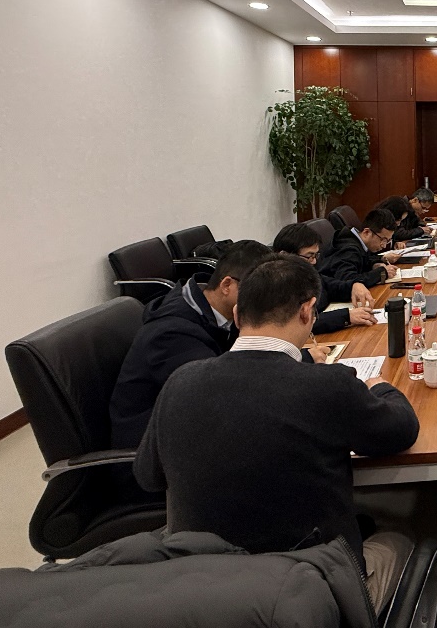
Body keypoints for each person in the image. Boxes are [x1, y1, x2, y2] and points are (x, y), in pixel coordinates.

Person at [135, 255, 419, 613]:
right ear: (307, 312)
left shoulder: (180, 381)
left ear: (237, 315)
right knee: (400, 538)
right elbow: (402, 429)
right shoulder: (327, 386)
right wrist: (382, 388)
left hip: (203, 596)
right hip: (302, 597)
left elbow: (148, 477)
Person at [110, 240, 277, 448]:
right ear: (227, 285)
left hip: (192, 423)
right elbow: (219, 392)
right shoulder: (172, 334)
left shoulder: (218, 312)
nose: (266, 303)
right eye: (260, 293)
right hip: (150, 447)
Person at [272, 223, 377, 332]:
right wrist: (346, 316)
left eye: (315, 255)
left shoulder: (305, 274)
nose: (314, 261)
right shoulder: (276, 287)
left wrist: (354, 285)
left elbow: (331, 286)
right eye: (309, 256)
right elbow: (298, 323)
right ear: (285, 255)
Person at [318, 208, 399, 289]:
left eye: (387, 241)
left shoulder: (355, 238)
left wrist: (374, 265)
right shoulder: (349, 250)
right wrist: (381, 273)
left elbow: (361, 261)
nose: (384, 246)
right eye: (383, 240)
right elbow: (349, 281)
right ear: (366, 232)